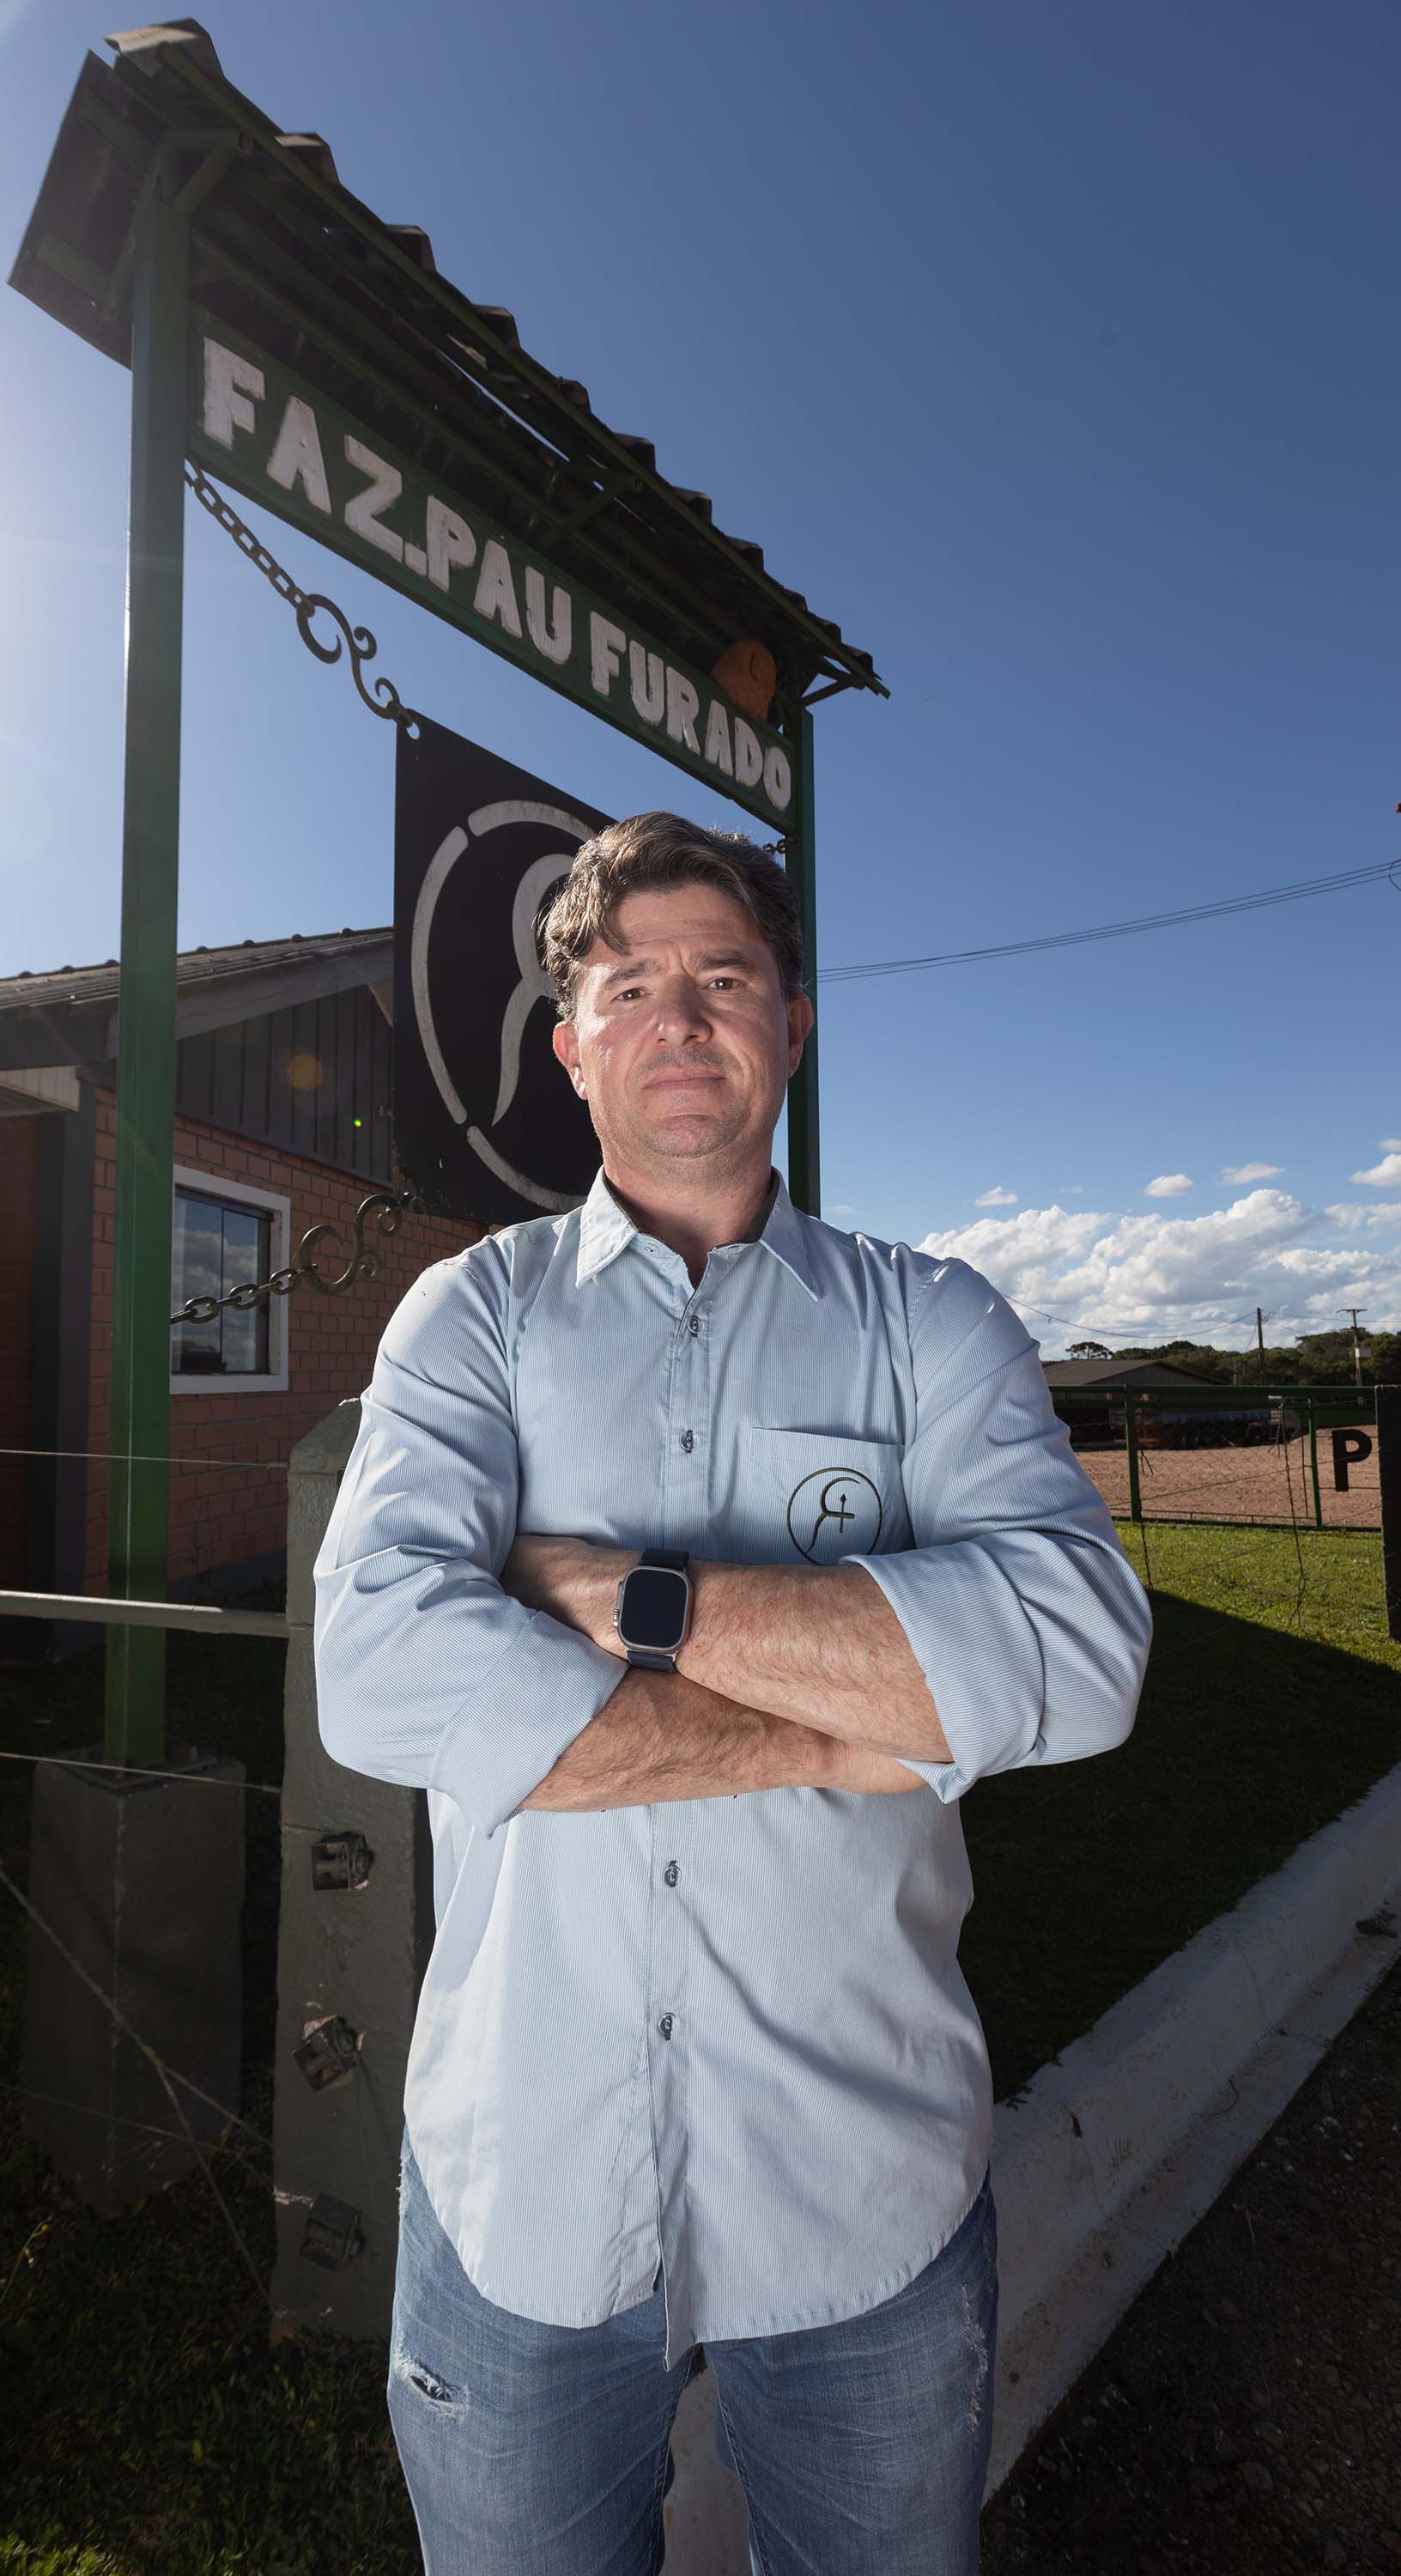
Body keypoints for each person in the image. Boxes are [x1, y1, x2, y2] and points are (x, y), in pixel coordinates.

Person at [314, 813, 1151, 2575]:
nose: (679, 1019)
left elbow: (1078, 1654)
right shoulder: (472, 1318)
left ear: (793, 1023)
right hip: (520, 2188)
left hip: (863, 2189)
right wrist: (872, 1723)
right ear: (571, 1046)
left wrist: (628, 1595)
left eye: (724, 978)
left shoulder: (929, 1322)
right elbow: (382, 1674)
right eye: (629, 987)